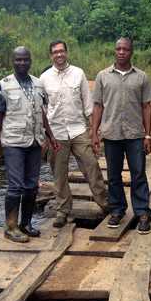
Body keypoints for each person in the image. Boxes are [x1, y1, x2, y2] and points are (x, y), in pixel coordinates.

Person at [0, 46, 59, 243]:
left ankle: (26, 224)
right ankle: (11, 227)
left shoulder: (38, 84)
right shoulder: (4, 85)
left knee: (31, 186)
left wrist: (50, 135)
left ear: (30, 61)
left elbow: (42, 112)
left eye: (25, 60)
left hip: (35, 141)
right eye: (18, 60)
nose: (22, 63)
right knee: (15, 186)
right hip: (13, 142)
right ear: (13, 61)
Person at [40, 40, 109, 228]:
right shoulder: (44, 78)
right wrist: (45, 137)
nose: (59, 55)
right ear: (50, 55)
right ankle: (63, 210)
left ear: (67, 53)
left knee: (92, 166)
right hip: (56, 133)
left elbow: (89, 105)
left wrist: (94, 132)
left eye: (62, 51)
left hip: (79, 129)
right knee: (59, 174)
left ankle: (105, 203)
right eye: (55, 52)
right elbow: (42, 111)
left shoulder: (78, 74)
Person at [92, 37, 151, 234]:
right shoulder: (103, 76)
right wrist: (94, 133)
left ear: (131, 52)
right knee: (113, 175)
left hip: (135, 134)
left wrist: (148, 135)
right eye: (118, 48)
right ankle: (117, 209)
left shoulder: (141, 77)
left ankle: (142, 212)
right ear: (114, 51)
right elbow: (98, 106)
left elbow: (146, 107)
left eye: (125, 49)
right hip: (111, 134)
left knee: (138, 174)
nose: (121, 52)